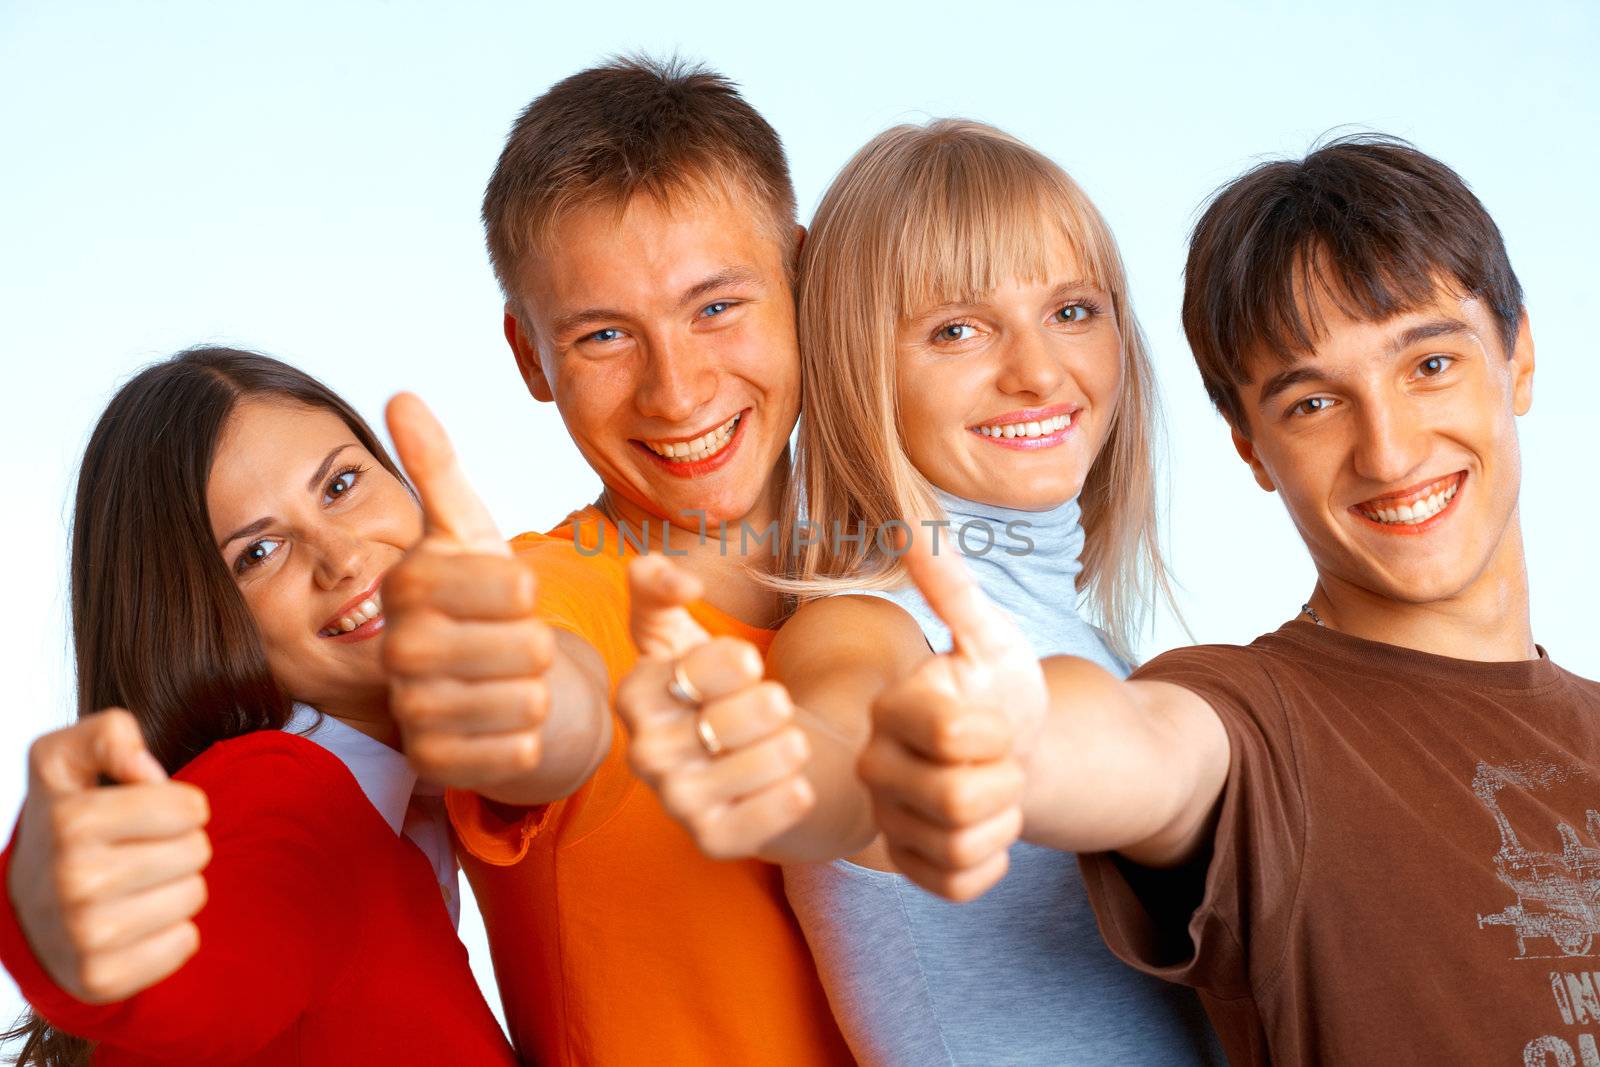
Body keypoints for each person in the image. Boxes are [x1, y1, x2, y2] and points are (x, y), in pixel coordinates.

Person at [857, 136, 1600, 1065]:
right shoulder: (1253, 720)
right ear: (1250, 445)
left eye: (1430, 365)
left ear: (1519, 355)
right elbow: (1140, 749)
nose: (1391, 450)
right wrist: (1004, 743)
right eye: (1312, 404)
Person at [617, 120, 1220, 1064]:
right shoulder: (866, 620)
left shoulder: (1091, 638)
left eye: (1072, 310)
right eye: (957, 329)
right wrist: (818, 770)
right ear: (863, 368)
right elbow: (841, 734)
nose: (1037, 371)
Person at [376, 57, 852, 1064]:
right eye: (603, 335)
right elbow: (548, 703)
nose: (674, 391)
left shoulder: (898, 591)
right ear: (526, 358)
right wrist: (512, 698)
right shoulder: (545, 596)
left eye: (715, 305)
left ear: (801, 277)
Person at [0, 348, 515, 1065]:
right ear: (191, 621)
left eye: (340, 483)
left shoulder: (414, 804)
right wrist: (75, 943)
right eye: (260, 550)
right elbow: (203, 979)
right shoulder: (282, 791)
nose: (342, 557)